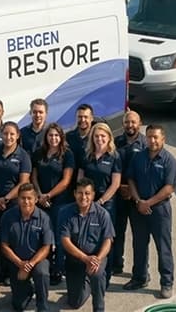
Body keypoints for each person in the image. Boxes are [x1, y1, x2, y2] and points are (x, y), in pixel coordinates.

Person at [124, 124, 176, 299]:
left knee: (163, 248)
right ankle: (139, 277)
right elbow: (130, 179)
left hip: (159, 210)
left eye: (155, 137)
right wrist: (139, 201)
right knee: (139, 245)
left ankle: (166, 283)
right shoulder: (138, 157)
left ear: (163, 139)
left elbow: (169, 188)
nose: (152, 140)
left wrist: (148, 203)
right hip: (138, 207)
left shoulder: (170, 161)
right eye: (149, 137)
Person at [0, 121, 32, 284]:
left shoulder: (23, 156)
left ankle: (13, 271)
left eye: (12, 134)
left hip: (13, 203)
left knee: (13, 238)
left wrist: (6, 198)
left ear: (18, 135)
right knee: (1, 239)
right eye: (5, 134)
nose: (8, 137)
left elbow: (23, 182)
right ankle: (3, 271)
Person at [60, 178, 114, 312]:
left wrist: (97, 259)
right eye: (80, 193)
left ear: (93, 195)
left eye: (87, 193)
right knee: (74, 303)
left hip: (96, 257)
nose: (83, 197)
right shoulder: (65, 212)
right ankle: (86, 284)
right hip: (75, 259)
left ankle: (99, 307)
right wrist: (85, 259)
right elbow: (65, 241)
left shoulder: (103, 214)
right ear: (74, 194)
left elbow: (108, 240)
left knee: (97, 273)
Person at [31, 123, 75, 286]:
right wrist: (39, 194)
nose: (53, 138)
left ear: (61, 137)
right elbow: (33, 176)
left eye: (56, 135)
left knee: (59, 237)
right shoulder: (39, 153)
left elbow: (66, 181)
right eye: (50, 135)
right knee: (44, 236)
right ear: (46, 137)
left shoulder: (67, 155)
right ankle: (45, 266)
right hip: (41, 202)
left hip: (61, 202)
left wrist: (48, 195)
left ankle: (59, 269)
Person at [77, 122, 121, 285]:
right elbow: (80, 179)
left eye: (103, 136)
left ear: (109, 137)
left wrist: (100, 201)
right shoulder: (86, 155)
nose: (99, 139)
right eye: (96, 136)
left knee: (105, 239)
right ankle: (87, 272)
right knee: (86, 237)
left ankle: (105, 275)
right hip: (86, 203)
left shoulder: (114, 156)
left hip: (106, 204)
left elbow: (115, 184)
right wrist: (85, 200)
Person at [0, 183, 54, 312]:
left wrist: (30, 264)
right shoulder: (8, 217)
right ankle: (28, 290)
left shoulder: (44, 218)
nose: (26, 201)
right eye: (23, 198)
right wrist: (20, 263)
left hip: (37, 261)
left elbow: (46, 247)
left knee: (42, 272)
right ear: (17, 199)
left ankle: (42, 304)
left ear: (35, 199)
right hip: (16, 262)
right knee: (19, 306)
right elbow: (4, 246)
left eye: (29, 198)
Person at [113, 110, 146, 275]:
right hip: (118, 194)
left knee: (139, 237)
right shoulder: (116, 142)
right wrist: (119, 187)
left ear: (139, 123)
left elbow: (147, 173)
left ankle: (140, 273)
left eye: (133, 122)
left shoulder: (146, 145)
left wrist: (133, 192)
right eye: (127, 122)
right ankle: (116, 265)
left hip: (137, 197)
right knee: (117, 233)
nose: (130, 125)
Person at [65, 104, 95, 175]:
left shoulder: (96, 137)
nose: (83, 120)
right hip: (70, 179)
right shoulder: (68, 137)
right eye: (80, 117)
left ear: (92, 118)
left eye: (86, 117)